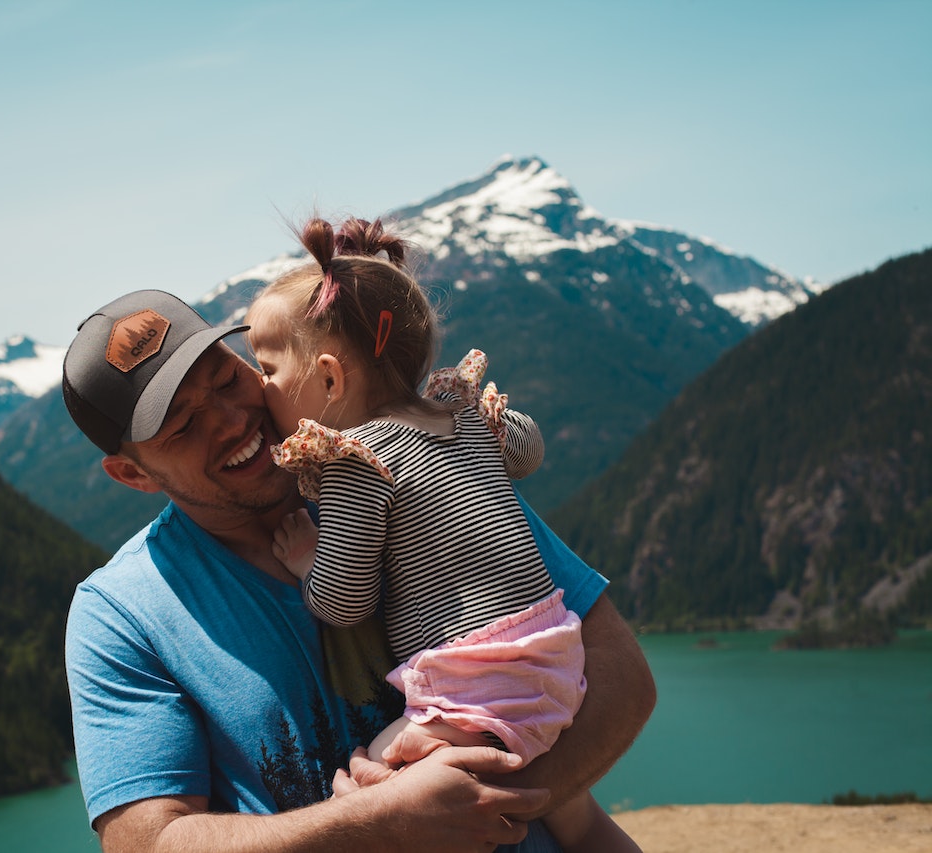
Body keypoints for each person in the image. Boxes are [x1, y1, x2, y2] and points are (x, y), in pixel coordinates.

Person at [61, 287, 656, 852]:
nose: (231, 419)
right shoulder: (119, 616)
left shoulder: (413, 458)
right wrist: (383, 827)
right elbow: (148, 841)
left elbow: (623, 679)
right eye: (185, 425)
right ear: (132, 474)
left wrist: (487, 802)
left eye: (226, 378)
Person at [243, 216, 639, 852]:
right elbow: (526, 450)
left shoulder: (356, 462)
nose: (259, 388)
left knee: (376, 789)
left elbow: (345, 603)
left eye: (267, 368)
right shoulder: (458, 413)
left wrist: (307, 562)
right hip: (555, 653)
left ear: (328, 378)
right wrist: (498, 429)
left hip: (474, 682)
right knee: (578, 817)